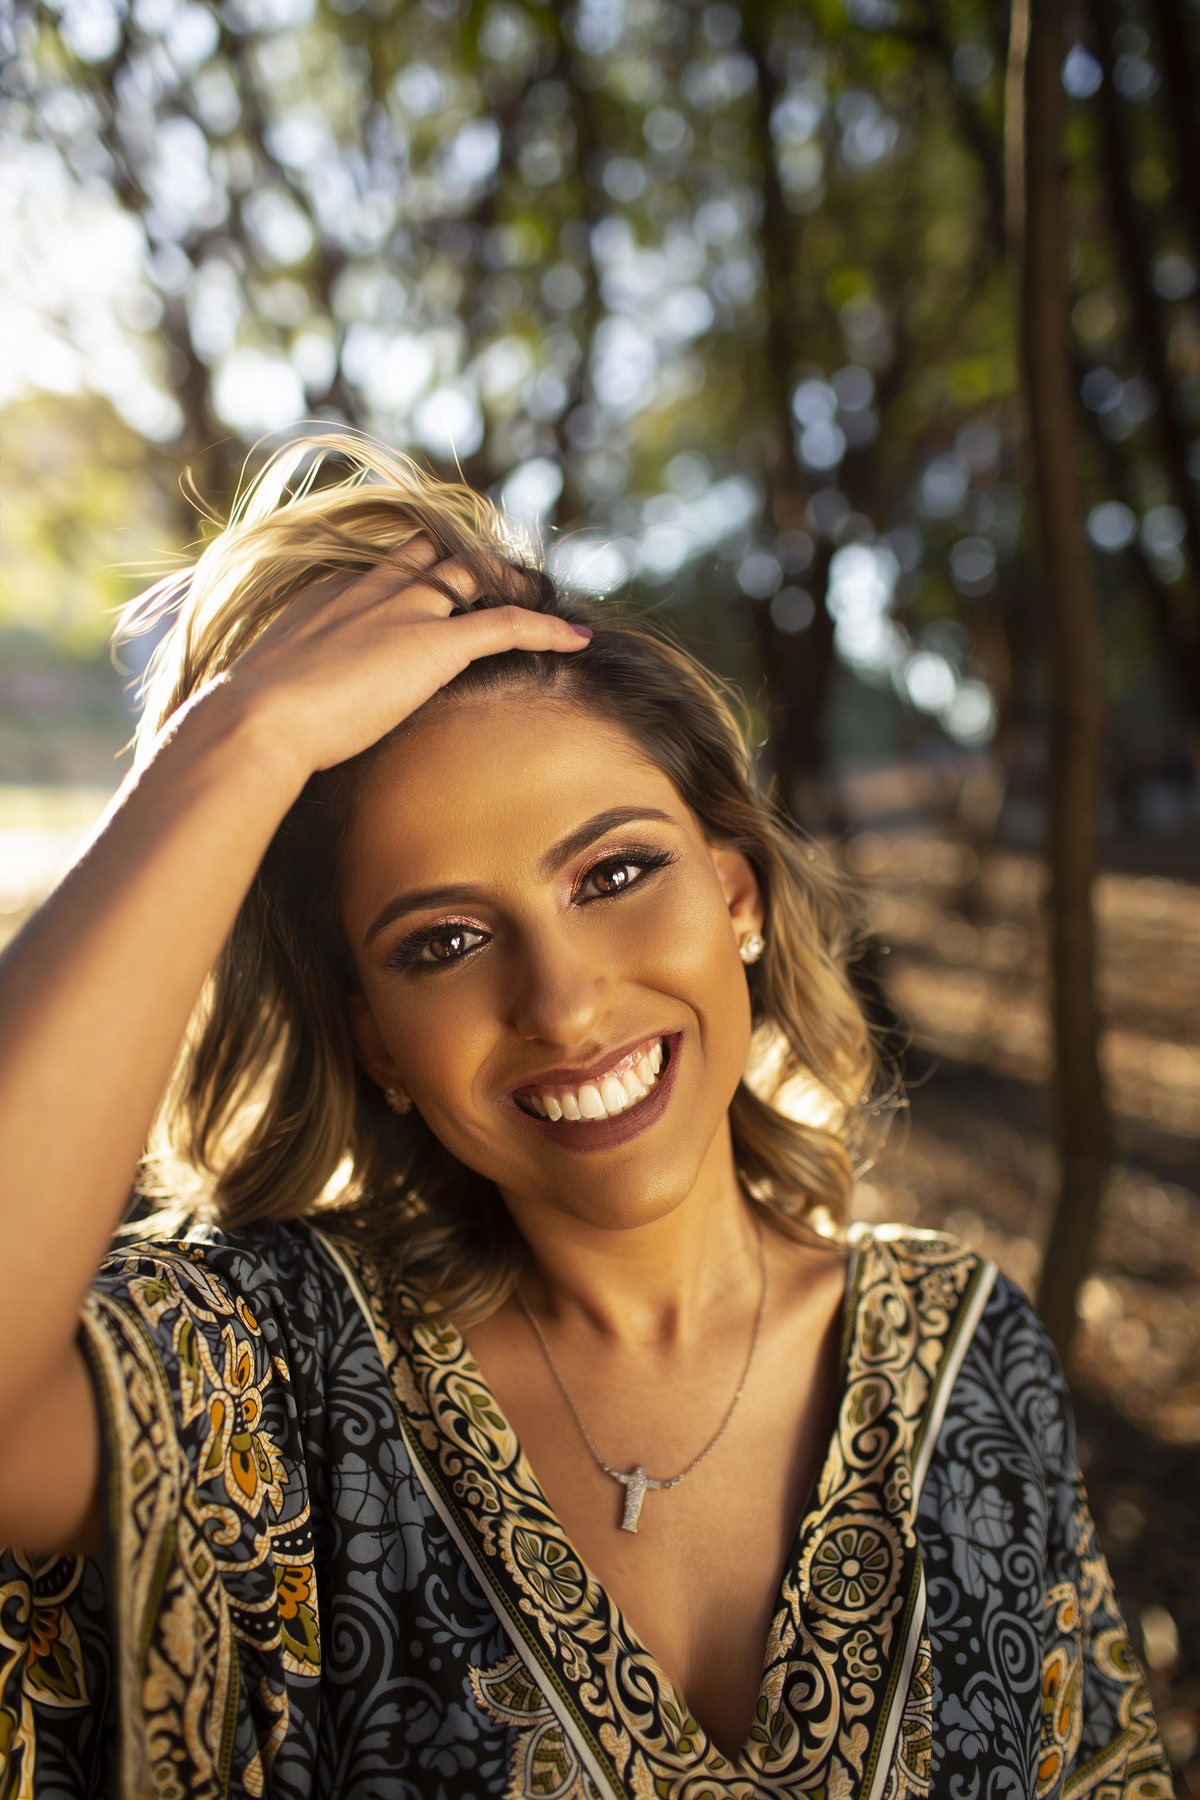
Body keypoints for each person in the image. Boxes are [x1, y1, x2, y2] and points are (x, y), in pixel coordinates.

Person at [0, 434, 1173, 1800]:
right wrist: (240, 737)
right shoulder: (268, 1374)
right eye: (443, 943)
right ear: (374, 1039)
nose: (561, 1005)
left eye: (613, 873)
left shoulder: (971, 1349)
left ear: (736, 896)